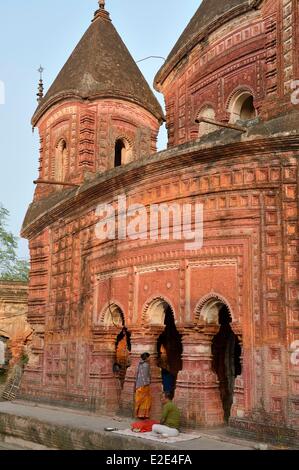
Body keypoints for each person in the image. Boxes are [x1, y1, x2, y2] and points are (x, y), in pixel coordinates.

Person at [134, 352, 151, 419]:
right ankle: (143, 415)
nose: (149, 358)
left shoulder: (139, 364)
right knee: (145, 400)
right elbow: (146, 376)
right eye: (149, 357)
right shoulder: (146, 365)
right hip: (144, 385)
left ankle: (137, 414)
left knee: (139, 400)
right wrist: (147, 382)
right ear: (146, 358)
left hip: (138, 385)